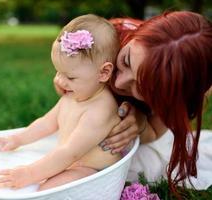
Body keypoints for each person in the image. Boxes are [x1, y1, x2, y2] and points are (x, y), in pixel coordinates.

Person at [0, 14, 124, 191]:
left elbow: (70, 152)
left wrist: (29, 173)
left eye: (70, 77)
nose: (60, 81)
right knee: (32, 181)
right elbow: (47, 122)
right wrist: (17, 139)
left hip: (94, 171)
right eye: (58, 71)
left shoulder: (100, 110)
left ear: (103, 72)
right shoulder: (73, 95)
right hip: (69, 162)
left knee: (46, 190)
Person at [90, 11, 212, 196]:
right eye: (126, 60)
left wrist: (141, 124)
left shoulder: (176, 95)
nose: (118, 83)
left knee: (145, 165)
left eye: (141, 89)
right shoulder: (105, 35)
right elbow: (69, 81)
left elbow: (155, 132)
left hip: (144, 138)